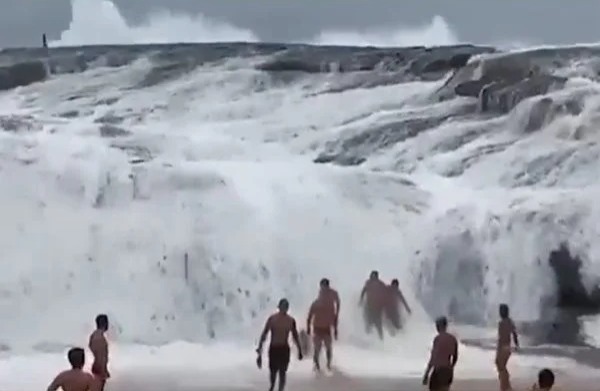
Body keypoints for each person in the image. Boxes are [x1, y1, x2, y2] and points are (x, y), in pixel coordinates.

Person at [256, 298, 303, 391]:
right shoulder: (272, 319)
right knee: (273, 372)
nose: (284, 309)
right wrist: (259, 350)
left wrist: (300, 350)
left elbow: (295, 336)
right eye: (282, 306)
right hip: (274, 348)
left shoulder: (290, 321)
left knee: (282, 372)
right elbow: (264, 334)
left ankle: (280, 389)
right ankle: (272, 387)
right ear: (279, 307)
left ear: (287, 308)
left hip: (284, 349)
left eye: (285, 307)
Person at [422, 316, 459, 391]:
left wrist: (426, 374)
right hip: (448, 371)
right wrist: (451, 367)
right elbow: (455, 357)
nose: (436, 328)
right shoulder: (453, 339)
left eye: (437, 325)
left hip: (439, 370)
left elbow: (433, 357)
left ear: (439, 326)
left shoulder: (438, 339)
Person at [307, 291, 337, 372]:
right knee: (317, 348)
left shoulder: (330, 305)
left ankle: (328, 364)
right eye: (322, 293)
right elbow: (310, 316)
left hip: (326, 329)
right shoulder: (315, 303)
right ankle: (316, 364)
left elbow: (334, 318)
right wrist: (308, 328)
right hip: (317, 328)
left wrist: (335, 329)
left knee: (328, 348)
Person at [496, 304, 519, 391]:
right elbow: (514, 333)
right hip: (507, 347)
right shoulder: (510, 321)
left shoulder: (501, 323)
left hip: (503, 346)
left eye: (500, 311)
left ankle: (505, 385)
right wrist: (516, 344)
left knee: (500, 366)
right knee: (501, 366)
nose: (499, 313)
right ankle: (505, 384)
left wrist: (499, 348)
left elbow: (501, 337)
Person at [359, 270, 387, 339]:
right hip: (369, 306)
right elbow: (363, 291)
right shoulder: (368, 283)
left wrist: (385, 304)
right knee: (368, 323)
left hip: (378, 307)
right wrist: (361, 300)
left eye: (374, 276)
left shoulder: (381, 284)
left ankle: (381, 339)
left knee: (378, 324)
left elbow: (386, 293)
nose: (373, 278)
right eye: (372, 276)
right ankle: (368, 338)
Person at [88, 314, 110, 391]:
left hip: (97, 365)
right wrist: (103, 369)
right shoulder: (99, 337)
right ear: (105, 324)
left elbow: (92, 348)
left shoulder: (94, 335)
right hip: (99, 367)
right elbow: (101, 356)